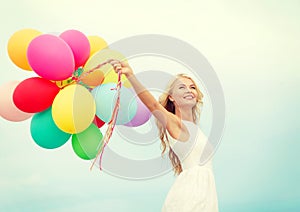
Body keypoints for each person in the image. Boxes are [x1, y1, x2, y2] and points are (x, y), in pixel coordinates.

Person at [109, 59, 219, 212]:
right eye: (182, 87)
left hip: (204, 195)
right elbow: (153, 105)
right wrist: (130, 75)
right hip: (191, 197)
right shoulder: (175, 123)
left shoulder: (195, 129)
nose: (189, 90)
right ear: (172, 97)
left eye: (192, 87)